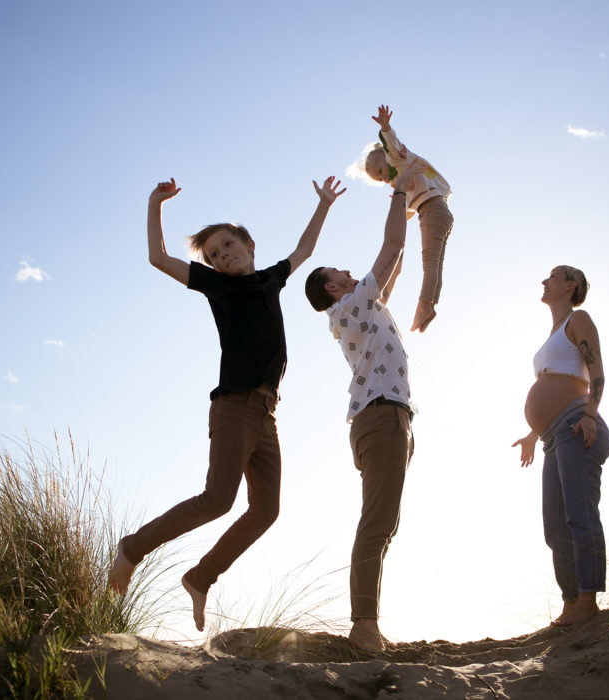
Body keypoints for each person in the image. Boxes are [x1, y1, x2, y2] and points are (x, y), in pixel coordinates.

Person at [108, 175, 346, 634]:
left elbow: (306, 248)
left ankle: (200, 577)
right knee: (218, 499)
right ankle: (132, 548)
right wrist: (155, 204)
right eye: (214, 255)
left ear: (248, 244)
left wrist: (324, 205)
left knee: (267, 509)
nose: (221, 256)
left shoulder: (272, 278)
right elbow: (158, 258)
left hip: (267, 412)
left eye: (226, 246)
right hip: (235, 406)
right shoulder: (217, 287)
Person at [303, 167, 420, 652]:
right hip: (381, 417)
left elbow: (396, 257)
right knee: (377, 522)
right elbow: (390, 252)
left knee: (384, 521)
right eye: (341, 274)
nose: (350, 274)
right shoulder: (348, 307)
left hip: (390, 418)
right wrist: (398, 188)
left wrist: (410, 206)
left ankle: (366, 623)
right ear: (332, 289)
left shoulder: (363, 308)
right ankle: (363, 626)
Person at [512, 265, 609, 627]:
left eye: (552, 276)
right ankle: (570, 603)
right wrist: (532, 431)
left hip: (576, 425)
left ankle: (588, 600)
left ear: (571, 285)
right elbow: (548, 387)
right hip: (552, 437)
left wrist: (589, 414)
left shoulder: (578, 319)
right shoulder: (550, 336)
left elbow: (595, 370)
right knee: (554, 526)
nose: (544, 280)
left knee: (579, 515)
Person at [359, 104, 453, 334]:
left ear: (386, 158)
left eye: (380, 172)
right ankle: (429, 304)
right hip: (439, 211)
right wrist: (404, 205)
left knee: (430, 263)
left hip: (432, 210)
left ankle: (424, 305)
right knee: (436, 264)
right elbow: (410, 210)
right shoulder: (405, 172)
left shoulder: (396, 157)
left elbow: (392, 143)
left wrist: (385, 127)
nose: (383, 179)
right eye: (379, 179)